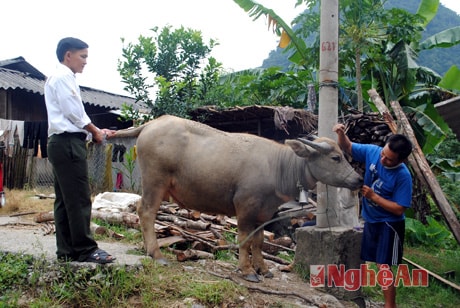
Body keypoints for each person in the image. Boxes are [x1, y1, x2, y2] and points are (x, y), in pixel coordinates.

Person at [45, 37, 116, 264]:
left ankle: (66, 251)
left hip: (60, 142)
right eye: (82, 56)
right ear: (68, 55)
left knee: (65, 200)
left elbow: (72, 115)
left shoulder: (57, 78)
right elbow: (73, 112)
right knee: (78, 198)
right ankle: (86, 249)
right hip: (67, 144)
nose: (85, 61)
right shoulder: (64, 76)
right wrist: (94, 131)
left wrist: (94, 129)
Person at [333, 123, 413, 308]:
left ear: (401, 160)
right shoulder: (373, 151)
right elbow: (348, 147)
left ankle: (389, 305)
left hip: (389, 223)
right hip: (371, 220)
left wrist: (374, 197)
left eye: (389, 160)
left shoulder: (403, 176)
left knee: (384, 266)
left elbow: (400, 209)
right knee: (375, 263)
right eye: (383, 154)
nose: (383, 160)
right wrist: (340, 133)